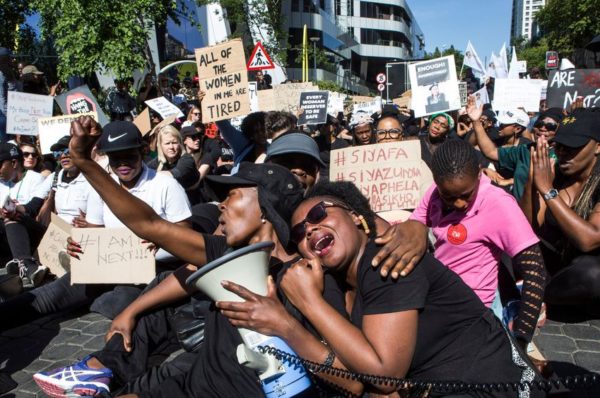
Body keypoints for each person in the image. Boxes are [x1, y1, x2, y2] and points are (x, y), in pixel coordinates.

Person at [33, 118, 426, 396]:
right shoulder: (228, 251)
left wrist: (415, 230)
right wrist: (84, 163)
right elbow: (149, 224)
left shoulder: (311, 279)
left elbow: (352, 381)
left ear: (266, 209)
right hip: (182, 387)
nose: (220, 204)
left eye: (233, 195)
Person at [217, 180, 544, 397]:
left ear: (357, 217)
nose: (310, 228)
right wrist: (286, 321)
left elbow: (385, 373)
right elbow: (353, 380)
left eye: (320, 213)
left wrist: (298, 315)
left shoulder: (387, 259)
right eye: (299, 232)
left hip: (496, 387)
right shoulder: (334, 283)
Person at [0, 121, 192, 331]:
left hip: (151, 272)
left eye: (129, 155)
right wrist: (79, 244)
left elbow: (186, 238)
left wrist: (156, 246)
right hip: (107, 266)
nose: (122, 163)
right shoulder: (101, 187)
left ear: (143, 151)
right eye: (115, 158)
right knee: (49, 296)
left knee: (118, 303)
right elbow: (94, 231)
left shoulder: (166, 186)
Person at [409, 139, 546, 349]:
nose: (459, 203)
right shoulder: (436, 193)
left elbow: (535, 270)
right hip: (438, 299)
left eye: (466, 195)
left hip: (473, 312)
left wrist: (521, 336)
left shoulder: (497, 204)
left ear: (479, 173)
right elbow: (417, 222)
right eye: (450, 197)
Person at [522, 111, 600, 310]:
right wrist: (533, 182)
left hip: (583, 271)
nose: (564, 152)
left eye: (573, 147)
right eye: (561, 145)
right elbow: (527, 228)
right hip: (553, 267)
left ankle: (536, 296)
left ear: (597, 146)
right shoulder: (554, 172)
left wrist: (548, 191)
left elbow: (590, 240)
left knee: (592, 273)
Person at [469, 95, 562, 201]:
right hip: (518, 212)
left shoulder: (563, 156)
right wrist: (476, 122)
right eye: (539, 124)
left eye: (550, 126)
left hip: (546, 213)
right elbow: (491, 151)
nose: (543, 128)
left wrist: (510, 181)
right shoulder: (524, 149)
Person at [0, 142, 50, 288]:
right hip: (9, 234)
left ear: (14, 163)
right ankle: (17, 262)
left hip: (32, 231)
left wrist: (14, 210)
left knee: (12, 216)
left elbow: (33, 209)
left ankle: (27, 265)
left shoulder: (35, 179)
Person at [146, 125, 200, 191]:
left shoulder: (187, 159)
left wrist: (150, 175)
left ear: (180, 143)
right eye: (167, 143)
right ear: (160, 145)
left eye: (174, 143)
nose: (171, 147)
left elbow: (176, 173)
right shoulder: (156, 162)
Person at [0, 47, 17, 143]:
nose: (13, 60)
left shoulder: (8, 73)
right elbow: (2, 100)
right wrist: (9, 119)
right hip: (4, 117)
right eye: (10, 58)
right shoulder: (1, 75)